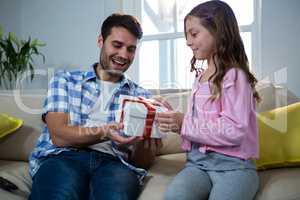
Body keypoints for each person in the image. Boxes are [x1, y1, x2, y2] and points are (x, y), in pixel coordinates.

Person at [29, 13, 160, 200]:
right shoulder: (65, 80)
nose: (124, 55)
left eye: (131, 49)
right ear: (101, 41)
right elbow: (59, 135)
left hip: (115, 164)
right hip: (64, 157)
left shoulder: (142, 97)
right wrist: (104, 132)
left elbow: (141, 162)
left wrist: (147, 141)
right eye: (117, 45)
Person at [156, 1, 261, 200]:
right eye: (186, 35)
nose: (188, 41)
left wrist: (184, 122)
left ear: (218, 31)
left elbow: (234, 130)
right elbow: (197, 125)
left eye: (193, 34)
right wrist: (175, 121)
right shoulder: (200, 77)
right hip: (197, 165)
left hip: (234, 168)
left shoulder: (235, 76)